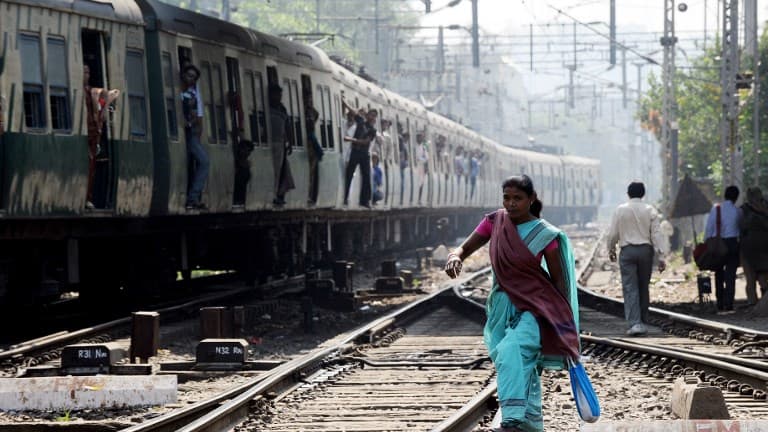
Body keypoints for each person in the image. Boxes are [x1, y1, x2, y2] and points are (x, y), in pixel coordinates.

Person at [445, 175, 580, 432]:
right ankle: (531, 423)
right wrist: (455, 257)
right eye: (506, 197)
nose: (511, 204)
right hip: (502, 306)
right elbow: (464, 248)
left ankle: (512, 420)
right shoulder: (494, 222)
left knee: (511, 351)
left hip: (537, 309)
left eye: (517, 198)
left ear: (531, 200)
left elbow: (559, 281)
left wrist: (561, 321)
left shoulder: (545, 235)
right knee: (519, 361)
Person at [606, 181, 666, 335]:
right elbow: (656, 234)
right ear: (643, 194)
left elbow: (613, 233)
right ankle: (643, 320)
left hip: (627, 252)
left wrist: (611, 249)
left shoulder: (620, 210)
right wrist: (661, 256)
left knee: (630, 287)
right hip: (646, 251)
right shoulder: (650, 210)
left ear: (628, 193)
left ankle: (635, 323)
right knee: (643, 286)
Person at [83, 65, 120, 210]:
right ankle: (87, 197)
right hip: (87, 133)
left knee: (91, 167)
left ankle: (89, 197)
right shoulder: (85, 93)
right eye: (84, 71)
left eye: (88, 72)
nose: (86, 75)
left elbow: (110, 93)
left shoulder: (91, 92)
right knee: (89, 166)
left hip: (93, 134)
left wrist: (104, 107)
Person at [704, 185, 742, 312]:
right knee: (731, 275)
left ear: (725, 195)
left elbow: (709, 228)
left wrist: (707, 243)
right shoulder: (738, 211)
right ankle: (729, 304)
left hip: (718, 244)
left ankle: (720, 303)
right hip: (732, 244)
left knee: (718, 273)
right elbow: (740, 230)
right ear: (736, 198)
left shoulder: (716, 209)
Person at [179, 63, 209, 210]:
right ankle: (193, 197)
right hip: (185, 132)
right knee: (203, 162)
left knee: (202, 162)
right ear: (183, 75)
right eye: (189, 75)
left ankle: (193, 197)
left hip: (191, 133)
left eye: (193, 77)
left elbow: (197, 115)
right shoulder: (178, 91)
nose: (190, 79)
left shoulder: (192, 94)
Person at [341, 100, 377, 208]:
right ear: (367, 115)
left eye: (374, 116)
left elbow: (366, 142)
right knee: (349, 174)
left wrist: (351, 140)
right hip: (355, 152)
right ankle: (345, 197)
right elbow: (353, 111)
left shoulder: (373, 130)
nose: (372, 117)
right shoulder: (361, 122)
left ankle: (365, 201)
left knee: (366, 176)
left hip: (364, 153)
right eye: (371, 115)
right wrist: (344, 102)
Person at [740, 187, 768, 306]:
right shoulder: (745, 210)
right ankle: (757, 303)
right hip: (754, 249)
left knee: (758, 279)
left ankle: (759, 303)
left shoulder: (746, 209)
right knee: (756, 279)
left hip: (758, 249)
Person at [268, 84, 295, 206]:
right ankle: (273, 194)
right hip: (269, 142)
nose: (278, 97)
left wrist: (290, 142)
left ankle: (278, 195)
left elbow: (288, 126)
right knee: (274, 170)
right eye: (276, 94)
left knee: (281, 170)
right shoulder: (266, 106)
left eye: (279, 95)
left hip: (280, 143)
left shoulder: (282, 109)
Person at [303, 87, 322, 205]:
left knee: (312, 171)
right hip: (308, 143)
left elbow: (316, 115)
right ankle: (308, 194)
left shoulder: (310, 111)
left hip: (311, 144)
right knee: (309, 171)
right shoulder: (303, 111)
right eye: (307, 99)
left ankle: (310, 194)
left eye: (310, 99)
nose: (309, 101)